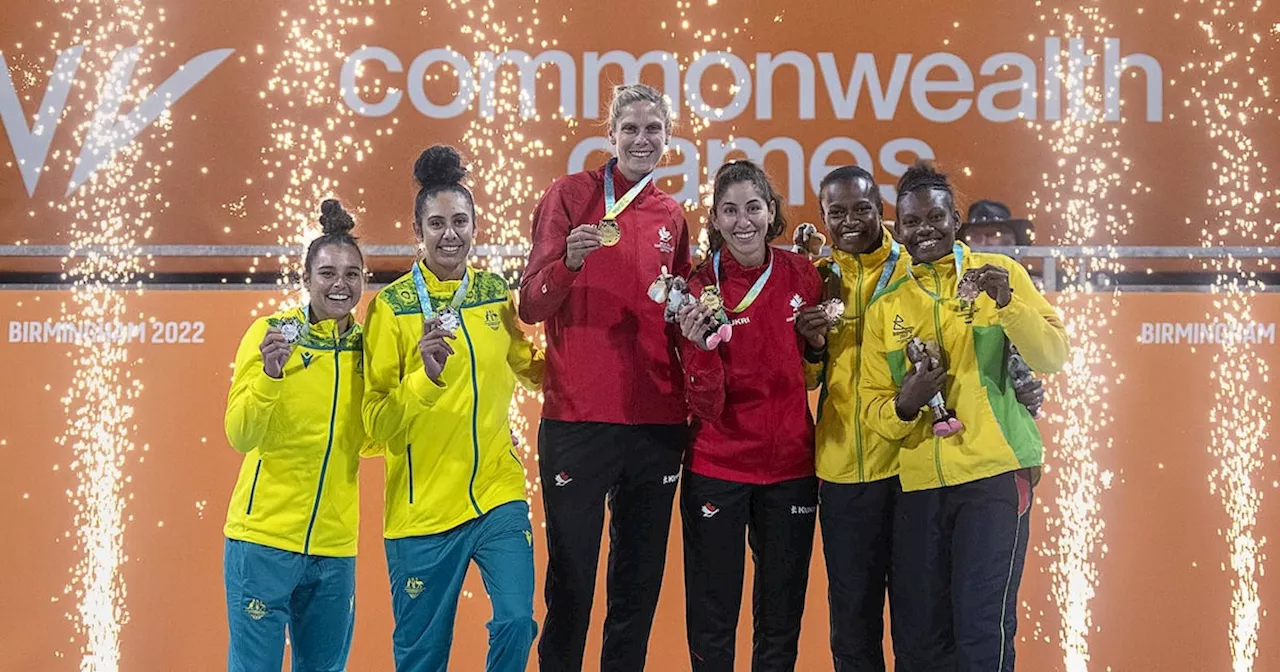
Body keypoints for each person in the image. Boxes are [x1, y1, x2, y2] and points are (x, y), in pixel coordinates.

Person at [860, 161, 1069, 672]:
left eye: (935, 217)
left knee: (981, 630)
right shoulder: (888, 306)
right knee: (920, 640)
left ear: (956, 219)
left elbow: (1051, 357)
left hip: (993, 477)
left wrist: (1009, 304)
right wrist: (908, 403)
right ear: (898, 229)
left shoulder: (1001, 274)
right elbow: (873, 408)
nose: (924, 230)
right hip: (919, 484)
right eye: (911, 222)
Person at [518, 83, 692, 672]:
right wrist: (568, 259)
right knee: (571, 582)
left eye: (653, 129)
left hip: (658, 423)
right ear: (610, 137)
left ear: (668, 139)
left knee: (637, 590)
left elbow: (682, 311)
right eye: (631, 129)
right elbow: (531, 306)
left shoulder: (673, 214)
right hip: (578, 418)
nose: (642, 139)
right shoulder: (570, 195)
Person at [362, 145, 544, 671]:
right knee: (421, 660)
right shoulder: (391, 308)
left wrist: (581, 352)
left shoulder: (493, 294)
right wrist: (424, 378)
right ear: (417, 229)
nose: (450, 234)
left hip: (497, 493)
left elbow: (528, 367)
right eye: (437, 223)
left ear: (474, 225)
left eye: (459, 221)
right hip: (422, 514)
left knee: (516, 620)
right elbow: (374, 427)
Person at [676, 160, 822, 671]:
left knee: (781, 618)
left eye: (753, 208)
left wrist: (819, 342)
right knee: (713, 618)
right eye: (730, 210)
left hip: (791, 470)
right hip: (717, 468)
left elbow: (816, 365)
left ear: (771, 212)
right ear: (714, 219)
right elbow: (706, 407)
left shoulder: (802, 273)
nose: (744, 221)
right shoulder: (697, 287)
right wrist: (702, 349)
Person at [222, 199, 373, 672]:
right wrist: (271, 374)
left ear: (364, 281)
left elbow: (371, 440)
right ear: (306, 280)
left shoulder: (368, 348)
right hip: (264, 538)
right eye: (327, 273)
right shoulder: (270, 334)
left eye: (352, 274)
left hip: (333, 547)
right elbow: (240, 434)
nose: (339, 284)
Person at [796, 166, 911, 671]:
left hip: (912, 466)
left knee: (917, 619)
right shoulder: (818, 277)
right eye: (836, 212)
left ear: (880, 209)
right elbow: (805, 379)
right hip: (842, 471)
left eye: (861, 208)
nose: (850, 221)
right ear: (822, 218)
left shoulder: (912, 267)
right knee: (852, 624)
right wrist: (813, 344)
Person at [957, 199, 1034, 248]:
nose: (984, 242)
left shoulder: (1021, 273)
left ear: (1011, 241)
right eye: (976, 236)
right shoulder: (952, 273)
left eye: (994, 235)